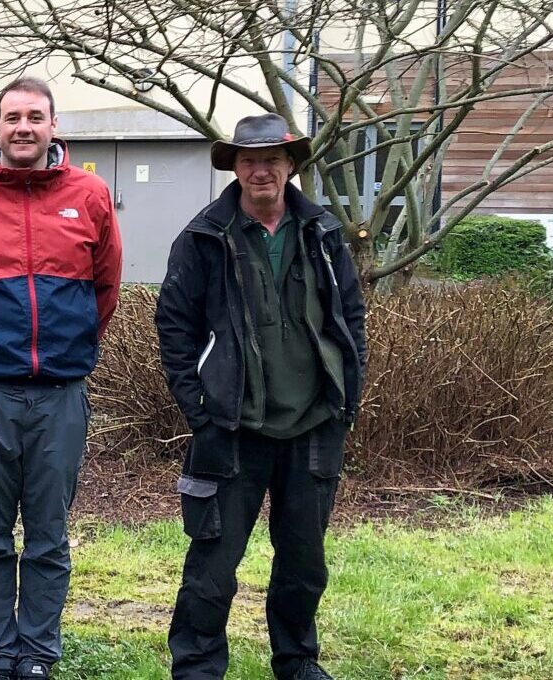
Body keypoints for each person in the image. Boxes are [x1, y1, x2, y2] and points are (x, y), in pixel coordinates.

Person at [156, 113, 368, 680]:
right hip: (231, 428)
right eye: (249, 160)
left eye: (272, 159)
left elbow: (351, 320)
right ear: (236, 168)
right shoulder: (203, 237)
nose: (260, 170)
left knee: (303, 564)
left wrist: (347, 400)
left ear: (291, 165)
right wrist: (199, 409)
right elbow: (174, 330)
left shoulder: (322, 235)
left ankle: (298, 661)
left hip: (313, 424)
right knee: (212, 565)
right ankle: (198, 667)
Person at [0, 76, 123, 680]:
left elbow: (105, 288)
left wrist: (68, 346)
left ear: (53, 126)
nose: (23, 128)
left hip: (61, 394)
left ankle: (36, 652)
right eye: (12, 117)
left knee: (48, 536)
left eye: (35, 117)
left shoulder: (89, 194)